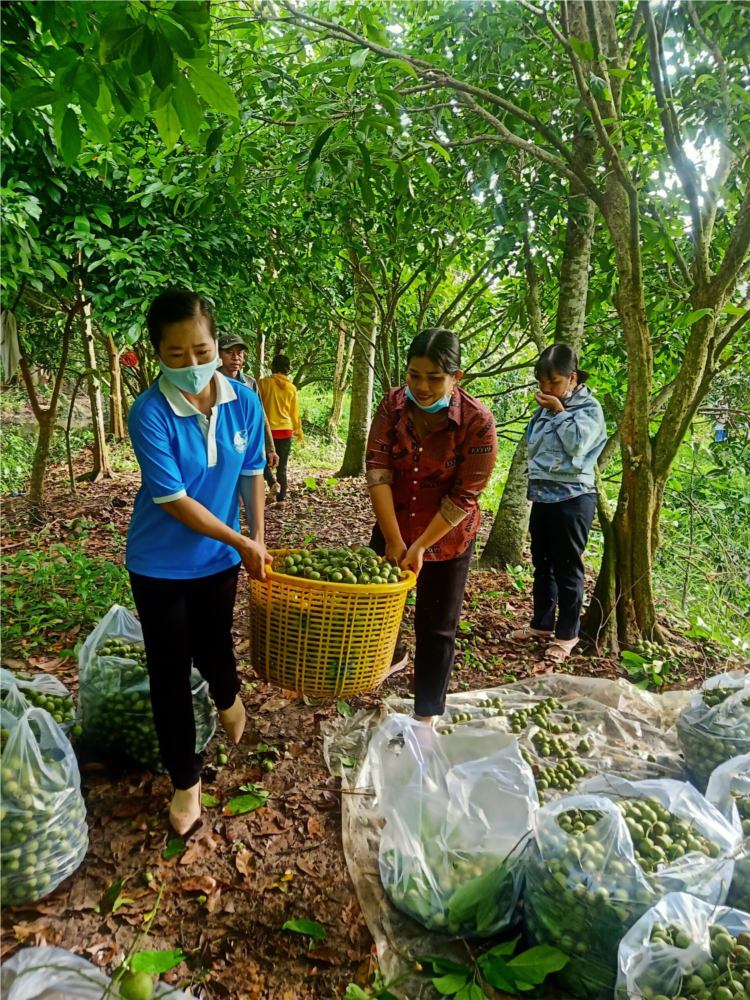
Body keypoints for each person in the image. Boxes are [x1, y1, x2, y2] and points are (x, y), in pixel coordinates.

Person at [125, 290, 271, 835]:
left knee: (214, 642)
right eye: (176, 354)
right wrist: (240, 541)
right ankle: (186, 781)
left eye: (201, 349)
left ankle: (228, 699)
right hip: (159, 562)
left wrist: (257, 537)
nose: (191, 363)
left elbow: (250, 471)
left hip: (221, 556)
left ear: (218, 343)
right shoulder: (150, 413)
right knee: (168, 668)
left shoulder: (245, 401)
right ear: (158, 353)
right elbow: (174, 499)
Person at [365, 328, 497, 724]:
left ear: (457, 377)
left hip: (447, 536)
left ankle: (426, 718)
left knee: (437, 629)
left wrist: (420, 546)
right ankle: (388, 657)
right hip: (393, 522)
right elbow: (378, 468)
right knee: (377, 608)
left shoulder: (478, 422)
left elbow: (464, 497)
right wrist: (393, 538)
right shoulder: (392, 405)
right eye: (414, 374)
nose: (421, 386)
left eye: (434, 377)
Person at [509, 344, 607, 661]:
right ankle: (540, 624)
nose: (546, 388)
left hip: (573, 497)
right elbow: (535, 448)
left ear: (572, 378)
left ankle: (567, 635)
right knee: (542, 565)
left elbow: (578, 446)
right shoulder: (544, 409)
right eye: (541, 382)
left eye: (553, 381)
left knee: (568, 569)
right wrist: (552, 411)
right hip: (542, 495)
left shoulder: (589, 409)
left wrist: (561, 413)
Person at [217, 332, 279, 508]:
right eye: (230, 352)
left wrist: (269, 448)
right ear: (220, 354)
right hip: (221, 444)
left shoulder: (250, 383)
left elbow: (260, 416)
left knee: (246, 492)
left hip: (247, 443)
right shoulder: (212, 380)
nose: (236, 357)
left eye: (240, 352)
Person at [258, 354, 304, 508]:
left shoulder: (263, 384)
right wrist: (298, 433)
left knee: (260, 461)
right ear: (288, 370)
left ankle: (272, 483)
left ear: (272, 367)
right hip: (285, 430)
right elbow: (294, 413)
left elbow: (258, 408)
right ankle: (282, 500)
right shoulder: (291, 388)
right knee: (282, 467)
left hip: (267, 430)